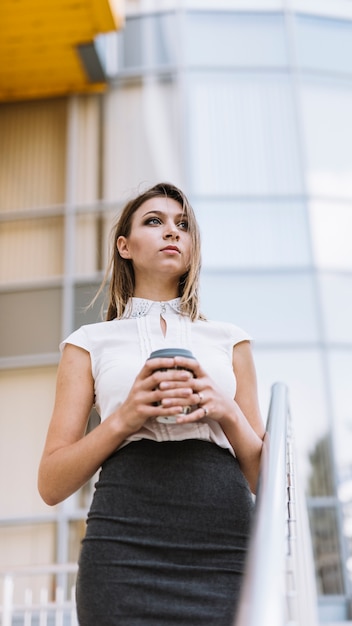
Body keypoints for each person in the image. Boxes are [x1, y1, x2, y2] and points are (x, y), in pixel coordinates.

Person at [38, 182, 265, 626]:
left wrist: (225, 409)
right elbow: (50, 485)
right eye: (155, 221)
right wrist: (123, 419)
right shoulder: (87, 344)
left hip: (224, 546)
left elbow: (263, 475)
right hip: (122, 547)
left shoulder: (230, 340)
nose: (172, 232)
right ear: (124, 246)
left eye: (183, 225)